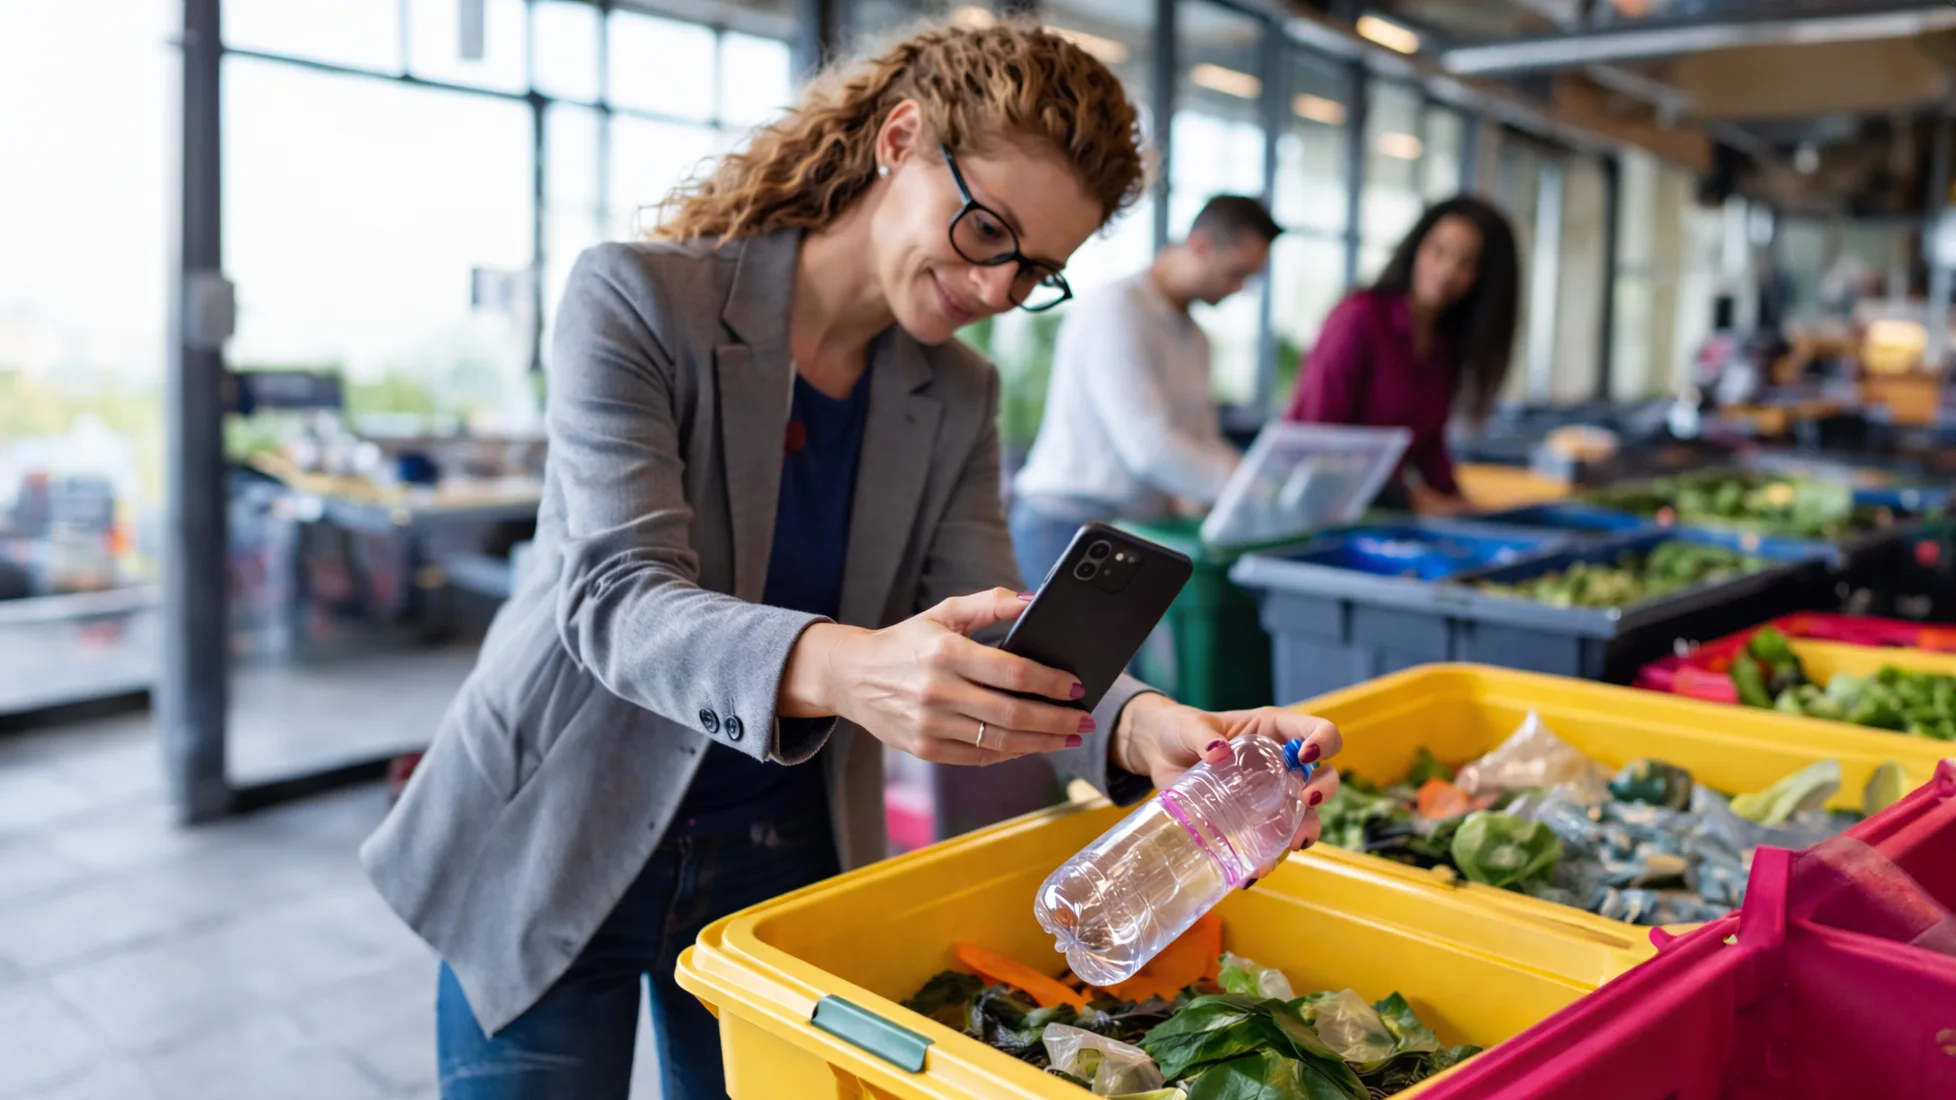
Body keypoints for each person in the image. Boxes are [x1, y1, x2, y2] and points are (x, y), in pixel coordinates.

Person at [359, 21, 1343, 1100]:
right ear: (902, 139)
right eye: (987, 230)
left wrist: (1154, 727)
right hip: (559, 817)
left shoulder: (955, 393)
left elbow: (1009, 624)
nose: (1000, 288)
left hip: (782, 846)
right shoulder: (637, 299)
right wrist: (849, 667)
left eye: (1039, 270)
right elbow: (614, 599)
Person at [1009, 195, 1282, 585]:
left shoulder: (1196, 337)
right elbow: (1149, 447)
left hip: (1132, 528)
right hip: (1066, 524)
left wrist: (1247, 482)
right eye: (1235, 273)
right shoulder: (1116, 310)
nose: (1239, 289)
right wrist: (1252, 488)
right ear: (1200, 246)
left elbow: (1200, 441)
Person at [1282, 196, 1520, 515]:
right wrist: (1412, 501)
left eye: (1466, 262)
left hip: (1379, 512)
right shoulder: (1358, 318)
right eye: (1438, 250)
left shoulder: (1444, 344)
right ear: (1416, 248)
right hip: (1315, 508)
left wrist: (1464, 505)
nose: (1447, 270)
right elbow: (1318, 443)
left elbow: (1429, 448)